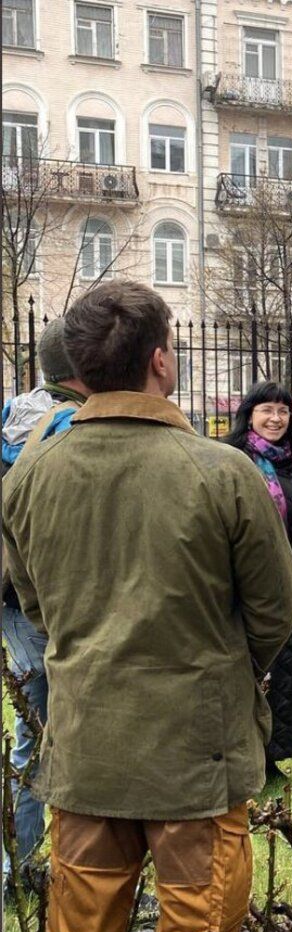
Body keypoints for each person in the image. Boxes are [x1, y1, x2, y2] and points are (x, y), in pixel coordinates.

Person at [3, 280, 292, 932]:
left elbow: (37, 609)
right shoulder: (222, 472)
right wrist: (225, 675)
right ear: (161, 360)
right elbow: (274, 612)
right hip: (193, 769)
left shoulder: (30, 476)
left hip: (88, 756)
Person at [1, 318, 90, 883]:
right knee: (60, 734)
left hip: (12, 597)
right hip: (54, 597)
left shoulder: (14, 414)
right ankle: (25, 868)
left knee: (33, 729)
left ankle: (20, 863)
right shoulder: (72, 426)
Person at [224, 381, 292, 780]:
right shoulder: (235, 460)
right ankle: (250, 758)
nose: (276, 418)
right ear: (249, 414)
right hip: (252, 579)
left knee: (290, 667)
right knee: (259, 665)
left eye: (283, 411)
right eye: (267, 410)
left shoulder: (287, 462)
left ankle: (272, 757)